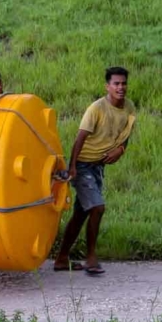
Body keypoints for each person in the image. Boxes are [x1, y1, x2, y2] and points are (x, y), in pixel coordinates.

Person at [54, 67, 136, 275]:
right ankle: (91, 257)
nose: (120, 87)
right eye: (116, 84)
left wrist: (121, 149)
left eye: (123, 83)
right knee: (98, 208)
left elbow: (126, 133)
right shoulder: (96, 108)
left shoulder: (129, 107)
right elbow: (79, 139)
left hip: (98, 167)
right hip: (83, 165)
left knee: (81, 214)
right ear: (107, 86)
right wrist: (72, 167)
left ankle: (62, 259)